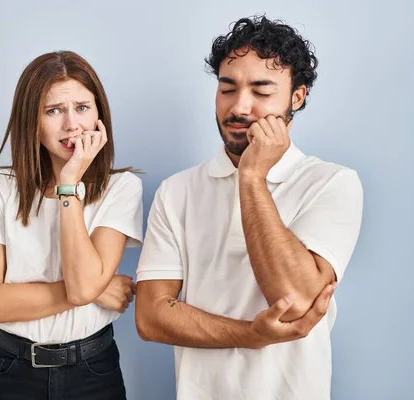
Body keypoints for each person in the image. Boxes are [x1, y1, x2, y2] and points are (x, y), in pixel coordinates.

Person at [135, 15, 363, 400]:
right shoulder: (177, 192)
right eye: (228, 89)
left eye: (261, 91)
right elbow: (151, 317)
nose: (240, 107)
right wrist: (250, 336)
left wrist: (252, 177)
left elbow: (293, 300)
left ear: (297, 97)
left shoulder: (332, 183)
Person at [0, 50, 143, 400]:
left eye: (82, 107)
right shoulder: (1, 187)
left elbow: (81, 289)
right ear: (32, 121)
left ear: (99, 115)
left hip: (94, 369)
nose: (72, 125)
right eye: (53, 111)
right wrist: (96, 290)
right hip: (12, 371)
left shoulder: (121, 188)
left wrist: (69, 186)